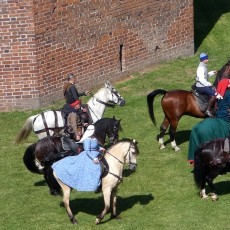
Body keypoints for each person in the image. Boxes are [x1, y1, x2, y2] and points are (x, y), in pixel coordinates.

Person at [188, 78, 230, 165]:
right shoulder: (228, 94)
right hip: (226, 118)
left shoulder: (219, 94)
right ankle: (226, 154)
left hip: (218, 115)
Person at [52, 125, 104, 192]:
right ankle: (95, 185)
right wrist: (93, 158)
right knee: (94, 167)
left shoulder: (94, 138)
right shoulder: (87, 140)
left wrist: (100, 148)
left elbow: (96, 147)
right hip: (89, 156)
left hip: (97, 154)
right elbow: (87, 150)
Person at [195, 53, 220, 117]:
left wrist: (212, 72)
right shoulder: (201, 68)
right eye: (206, 59)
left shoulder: (203, 66)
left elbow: (205, 76)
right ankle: (208, 110)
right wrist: (208, 83)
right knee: (214, 94)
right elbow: (201, 79)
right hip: (201, 86)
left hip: (203, 85)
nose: (207, 60)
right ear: (203, 60)